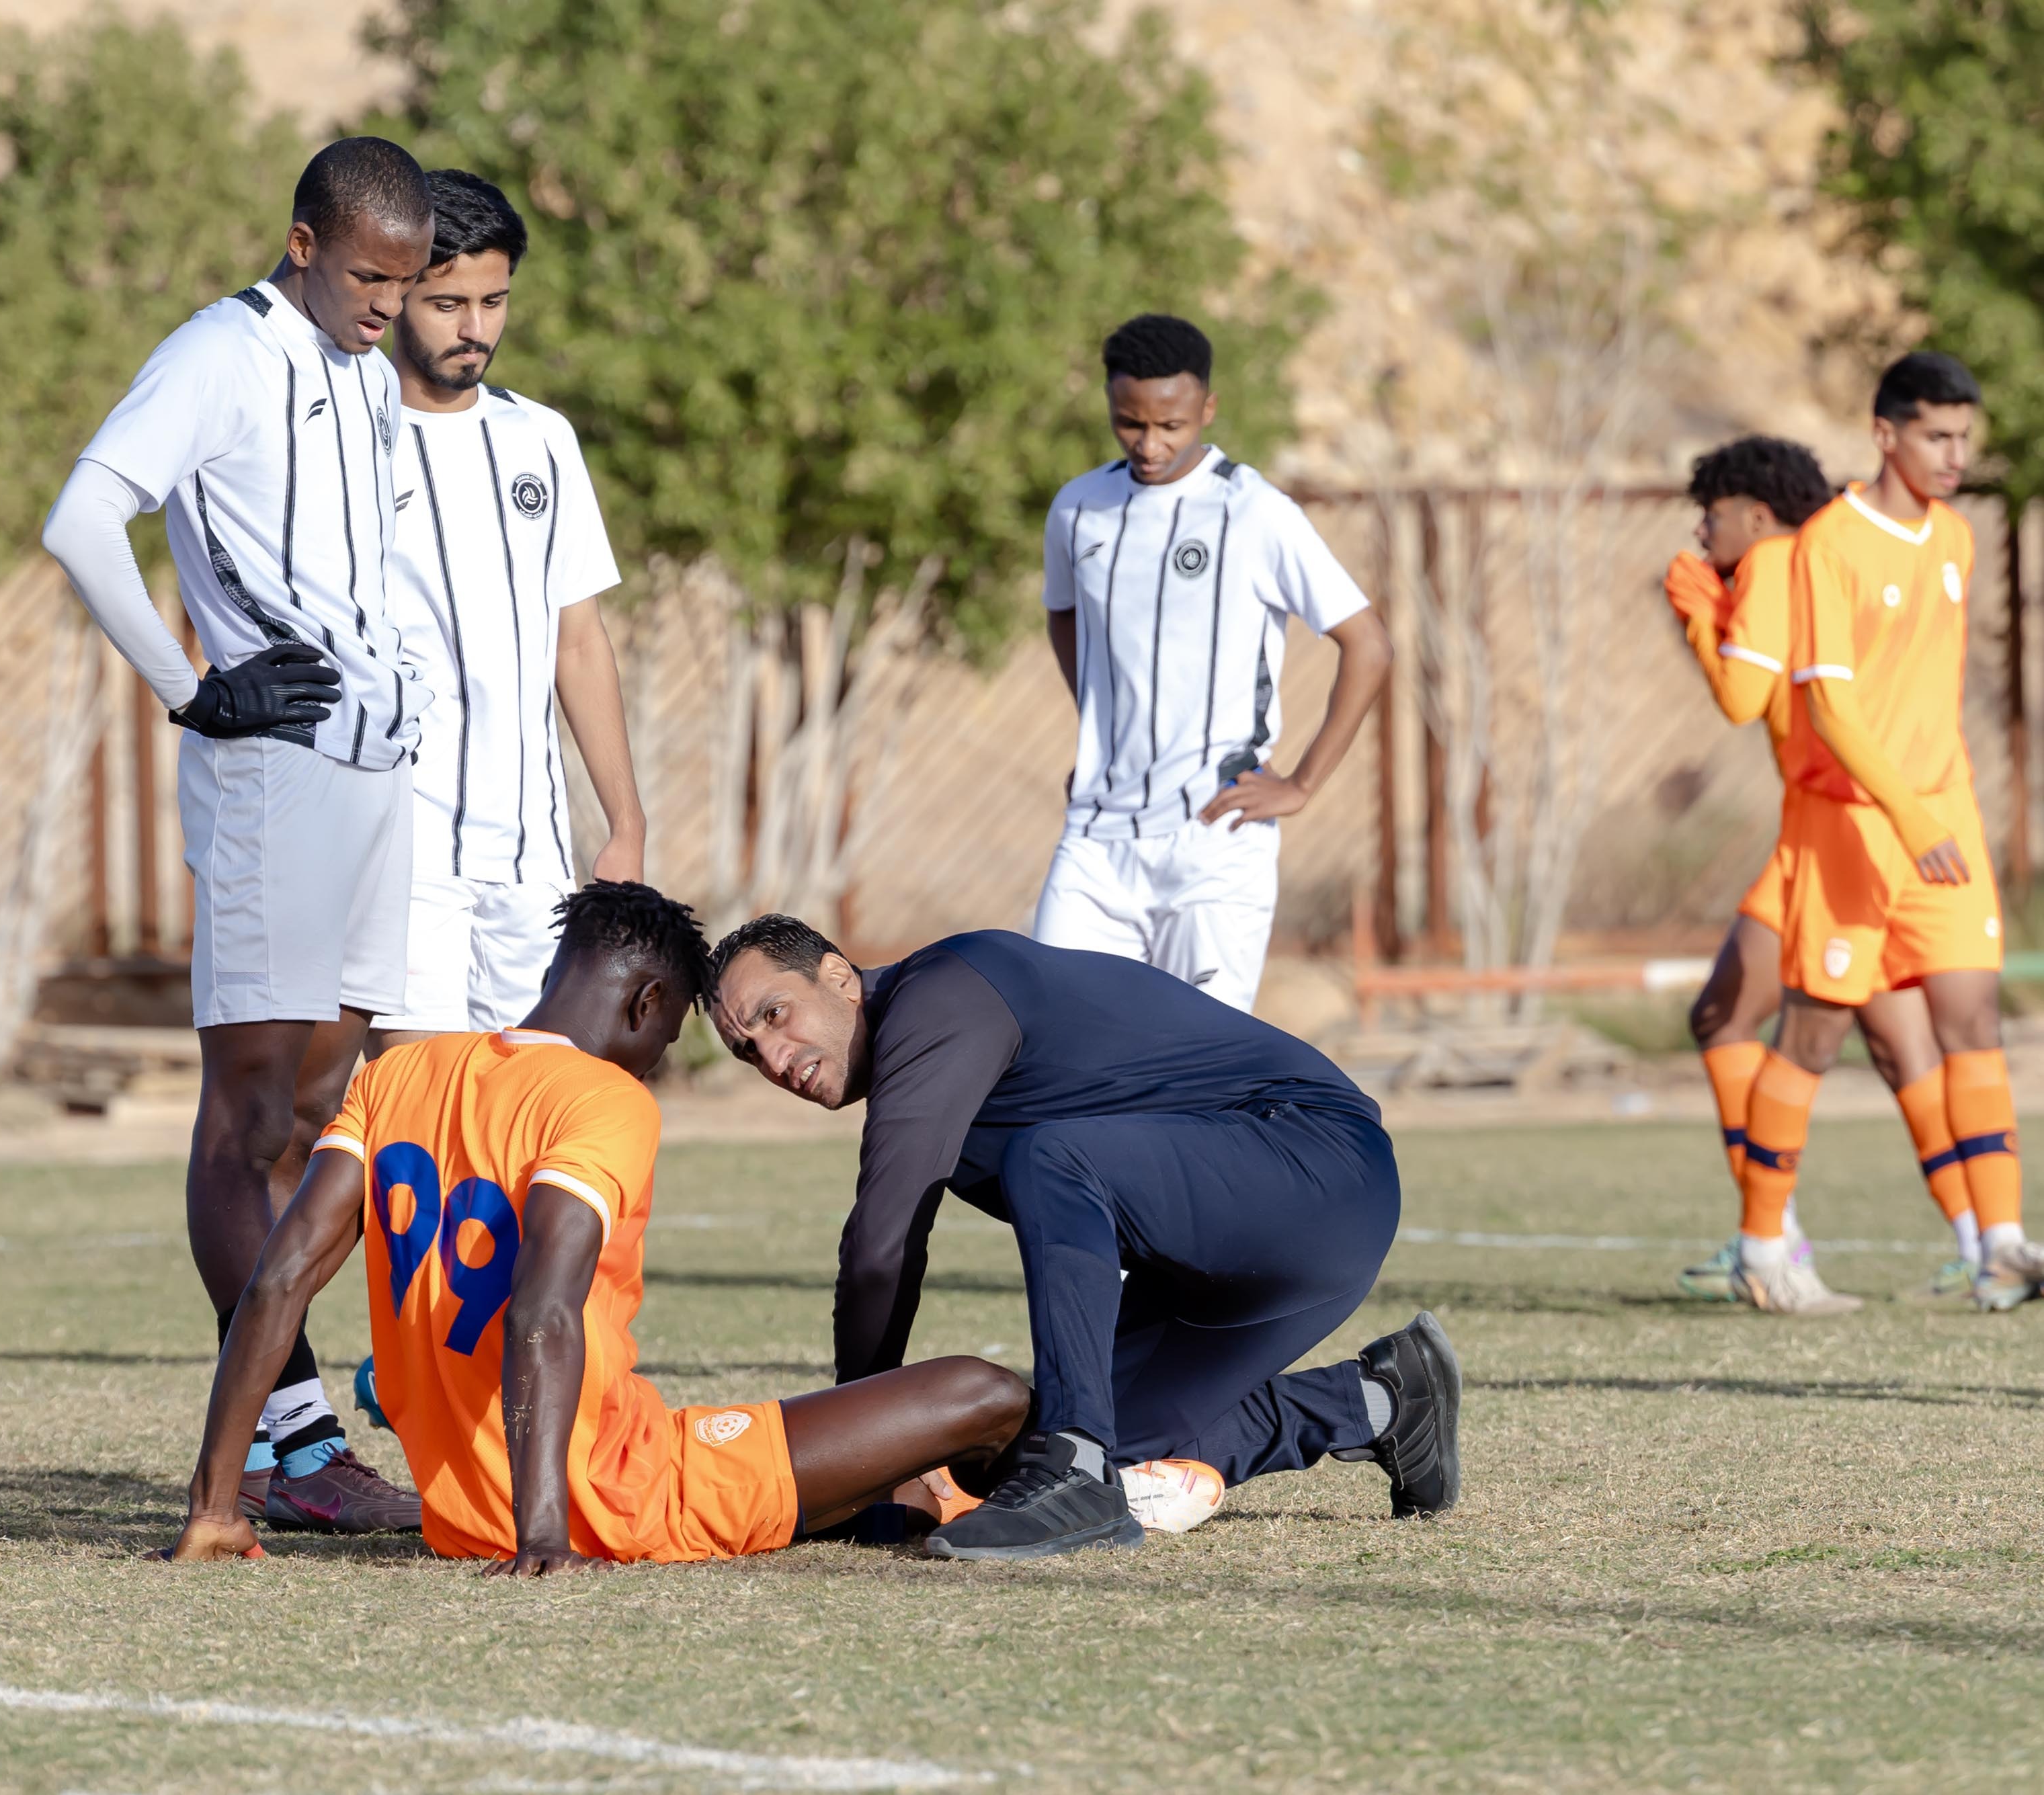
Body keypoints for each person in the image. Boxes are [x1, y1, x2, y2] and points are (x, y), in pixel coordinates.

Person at [157, 884, 1031, 1569]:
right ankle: (995, 1495)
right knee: (984, 1392)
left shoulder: (401, 1072)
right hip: (610, 1489)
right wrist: (545, 1533)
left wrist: (215, 1506)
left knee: (845, 1463)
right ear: (647, 1003)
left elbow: (277, 1279)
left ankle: (907, 1502)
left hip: (460, 1511)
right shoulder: (606, 1096)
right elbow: (542, 1306)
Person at [42, 138, 437, 1531]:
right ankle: (295, 1442)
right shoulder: (220, 350)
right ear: (304, 243)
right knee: (251, 1118)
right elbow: (83, 519)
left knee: (325, 1114)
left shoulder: (359, 372)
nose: (392, 304)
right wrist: (192, 689)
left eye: (409, 281)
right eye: (373, 277)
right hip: (268, 775)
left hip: (373, 771)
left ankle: (301, 1442)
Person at [706, 915, 1460, 1562]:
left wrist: (858, 1460)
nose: (773, 1058)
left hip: (1315, 1166)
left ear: (839, 976)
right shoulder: (917, 1075)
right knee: (1001, 1468)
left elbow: (882, 1240)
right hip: (1222, 1264)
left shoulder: (944, 993)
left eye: (774, 1014)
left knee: (1051, 1158)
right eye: (747, 1050)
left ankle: (1075, 1467)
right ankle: (1379, 1401)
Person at [1733, 351, 2044, 1312]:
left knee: (1969, 1020)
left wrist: (1935, 810)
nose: (1954, 456)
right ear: (1885, 433)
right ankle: (1758, 1245)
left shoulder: (1953, 536)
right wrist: (1904, 815)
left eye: (1963, 439)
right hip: (1856, 830)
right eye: (1935, 436)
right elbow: (1826, 706)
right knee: (1817, 1035)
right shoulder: (1826, 543)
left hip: (1942, 823)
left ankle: (1999, 1243)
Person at [1660, 436, 1977, 1308]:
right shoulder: (1834, 545)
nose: (1701, 530)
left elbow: (1741, 697)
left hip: (1828, 828)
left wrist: (1695, 610)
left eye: (1712, 515)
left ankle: (1773, 1244)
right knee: (1898, 1037)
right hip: (1885, 812)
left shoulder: (1768, 557)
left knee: (1731, 1016)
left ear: (1755, 513)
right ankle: (1980, 1240)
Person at [1030, 314, 1393, 1013]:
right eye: (1128, 423)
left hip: (1212, 839)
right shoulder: (1078, 509)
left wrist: (1302, 783)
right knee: (1055, 1045)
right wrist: (1103, 733)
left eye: (1170, 425)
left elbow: (1368, 643)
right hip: (1096, 838)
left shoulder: (1253, 512)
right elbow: (1063, 612)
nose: (1149, 442)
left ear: (1206, 409)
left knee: (1190, 1066)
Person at [368, 171, 646, 1054]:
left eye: (494, 300)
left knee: (531, 1111)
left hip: (532, 857)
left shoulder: (541, 438)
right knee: (418, 1123)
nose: (475, 327)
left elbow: (580, 639)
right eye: (448, 302)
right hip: (398, 850)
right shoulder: (345, 437)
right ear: (395, 290)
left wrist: (625, 822)